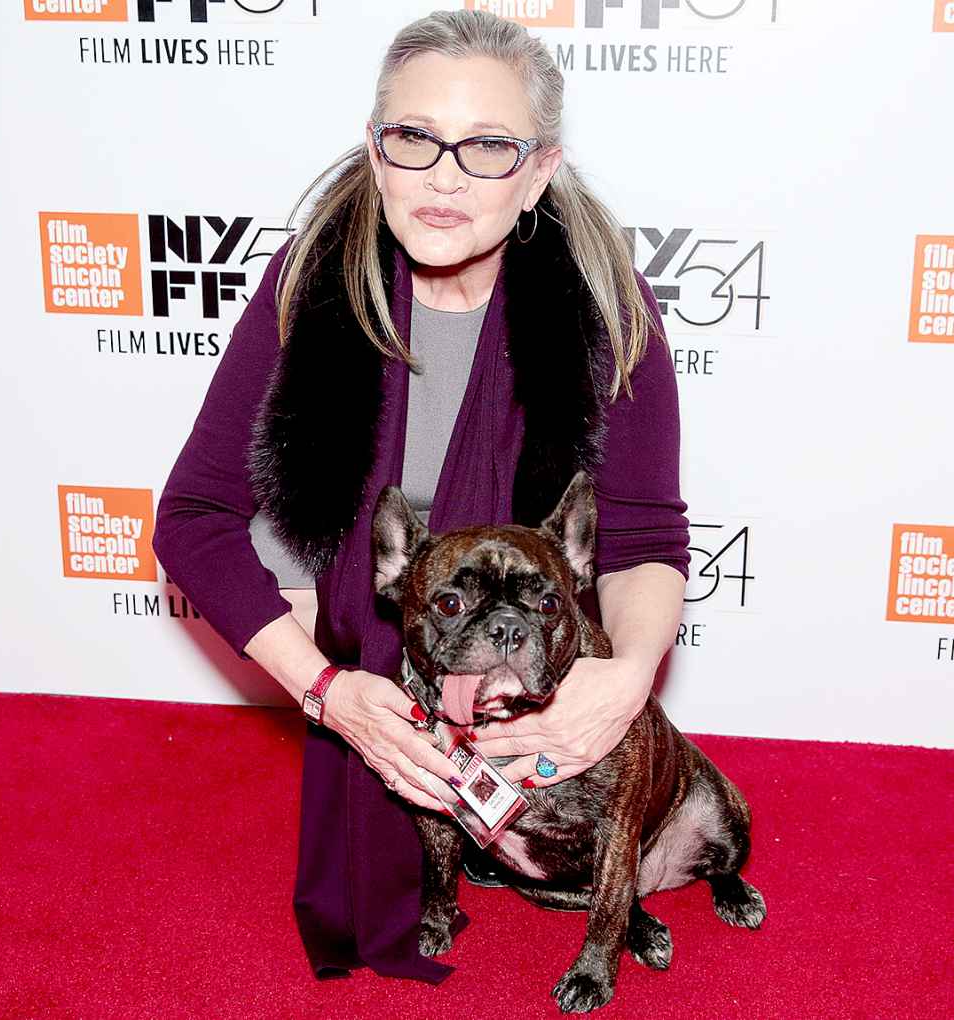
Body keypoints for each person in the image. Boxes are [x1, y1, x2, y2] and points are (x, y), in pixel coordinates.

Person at [151, 9, 690, 987]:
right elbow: (193, 520)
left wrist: (627, 676)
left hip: (533, 660)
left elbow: (643, 532)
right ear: (376, 150)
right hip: (373, 663)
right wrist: (326, 691)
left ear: (537, 171)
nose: (444, 175)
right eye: (414, 138)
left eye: (488, 146)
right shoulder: (307, 284)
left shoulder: (603, 300)